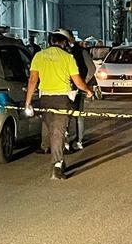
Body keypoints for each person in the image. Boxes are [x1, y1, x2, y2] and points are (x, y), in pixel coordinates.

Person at [25, 28, 93, 180]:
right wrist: (88, 91)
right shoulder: (68, 57)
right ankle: (57, 166)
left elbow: (33, 80)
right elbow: (77, 81)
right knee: (58, 133)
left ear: (50, 42)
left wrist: (28, 102)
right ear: (63, 43)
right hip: (62, 99)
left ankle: (59, 160)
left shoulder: (39, 56)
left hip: (45, 99)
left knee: (53, 131)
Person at [67, 36, 97, 150]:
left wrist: (83, 83)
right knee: (67, 115)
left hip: (76, 88)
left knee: (77, 114)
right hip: (66, 87)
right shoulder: (64, 52)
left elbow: (91, 68)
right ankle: (67, 140)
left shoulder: (81, 51)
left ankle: (78, 140)